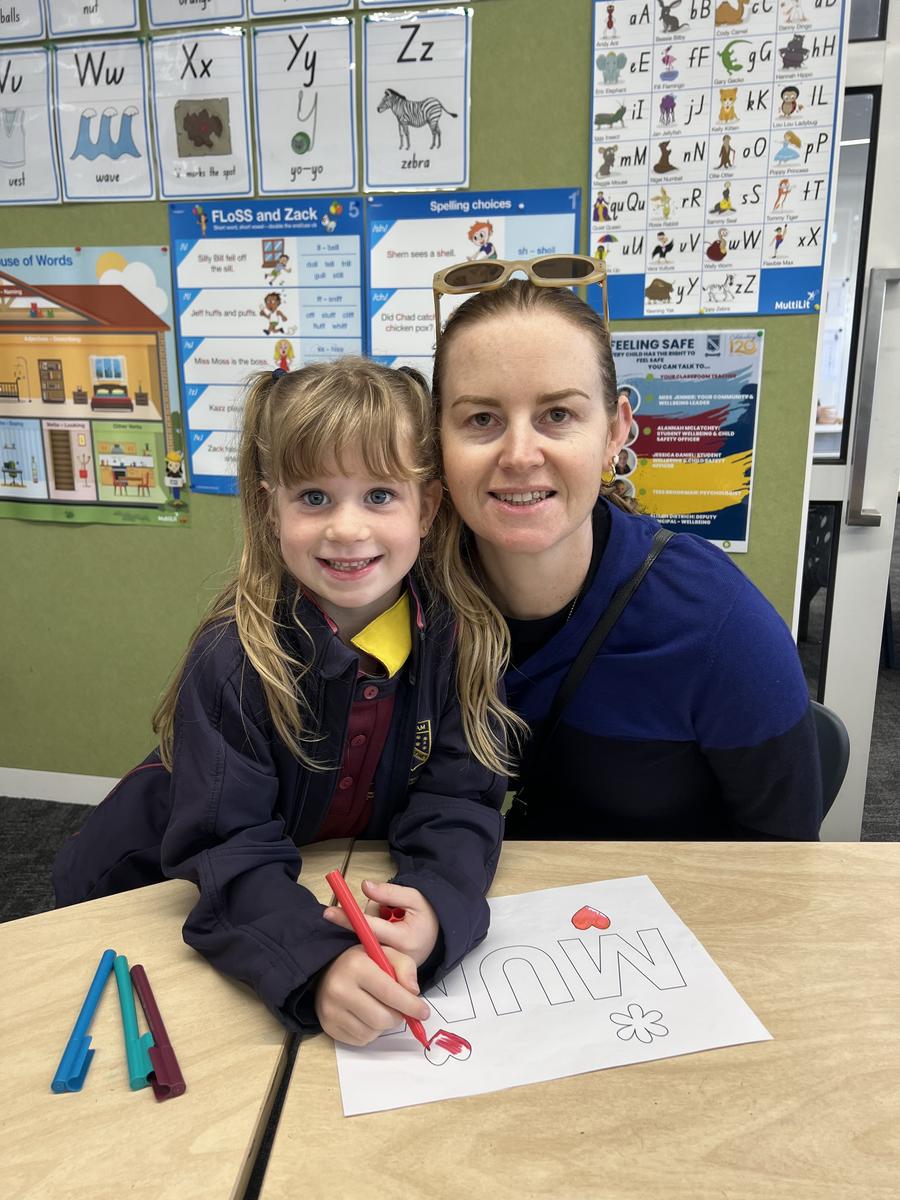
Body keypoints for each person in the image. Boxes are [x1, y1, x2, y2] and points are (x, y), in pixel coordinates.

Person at [53, 359, 517, 1045]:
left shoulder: (462, 643)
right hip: (142, 887)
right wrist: (318, 965)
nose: (347, 529)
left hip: (310, 870)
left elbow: (460, 801)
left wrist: (436, 904)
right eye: (315, 498)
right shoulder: (232, 658)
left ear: (427, 507)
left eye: (380, 495)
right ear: (272, 508)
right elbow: (226, 845)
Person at [429, 276, 823, 841]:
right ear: (437, 439)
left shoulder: (719, 624)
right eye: (481, 419)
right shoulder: (406, 603)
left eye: (557, 414)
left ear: (615, 431)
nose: (519, 455)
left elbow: (788, 860)